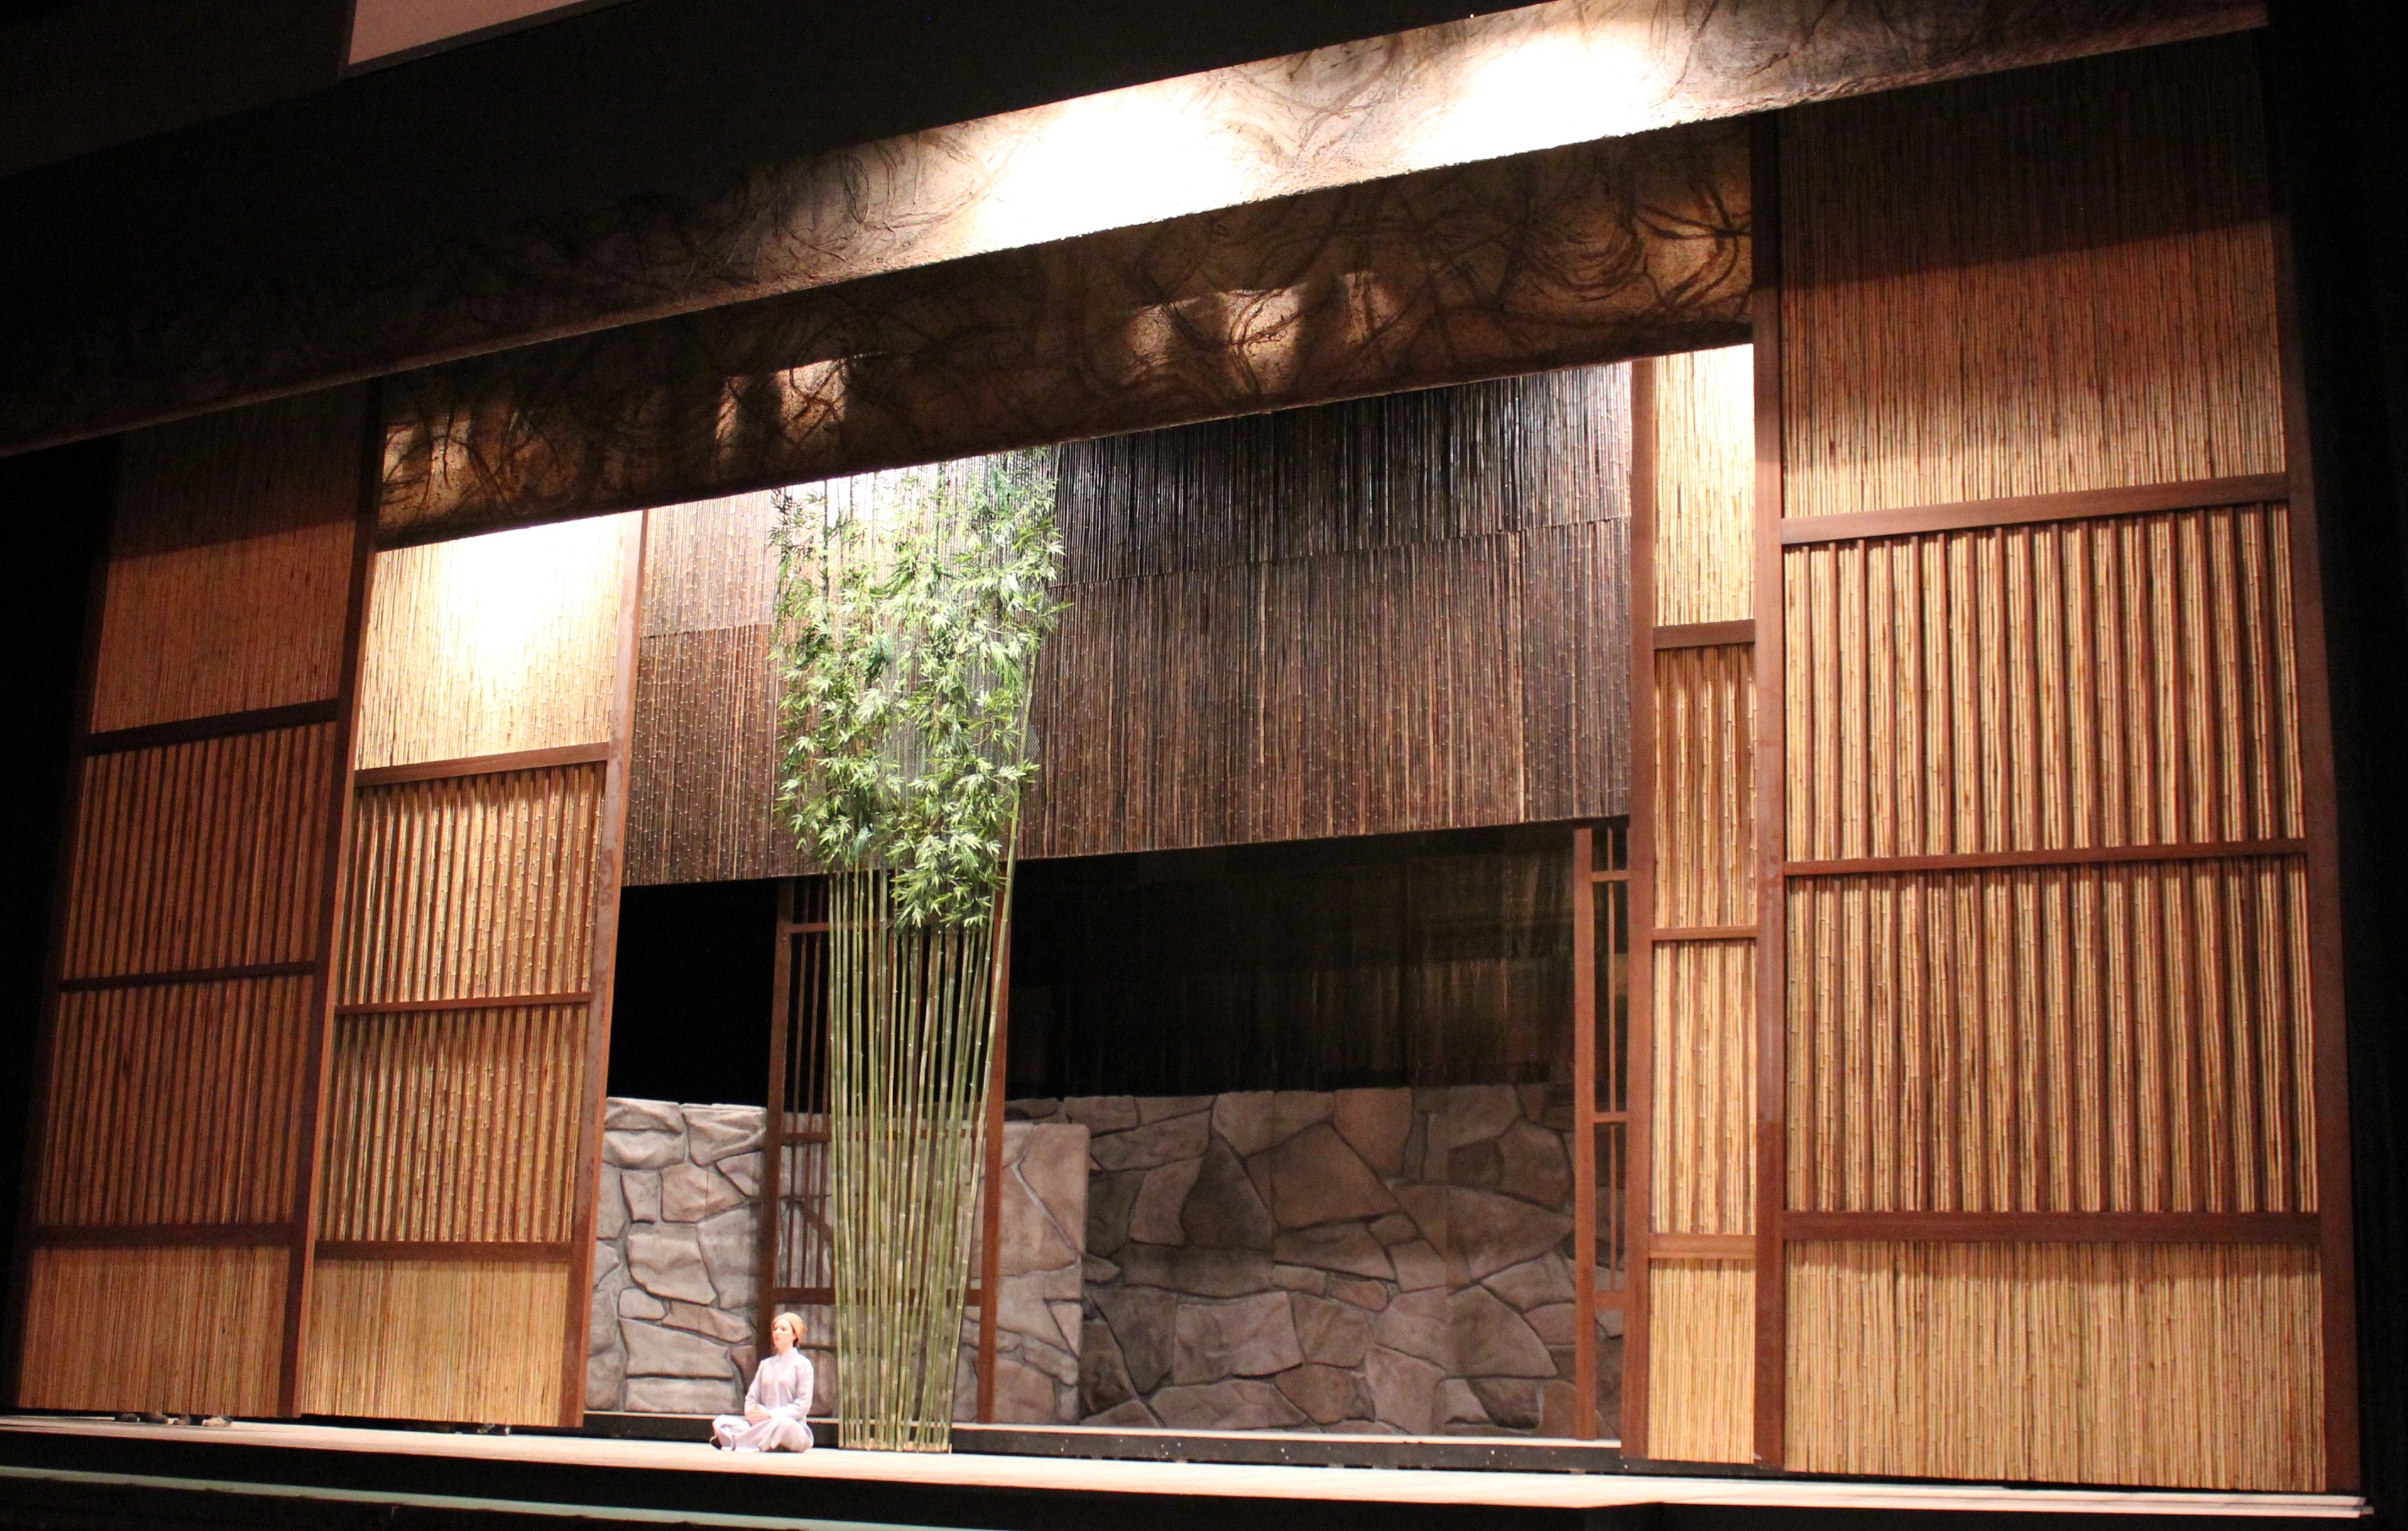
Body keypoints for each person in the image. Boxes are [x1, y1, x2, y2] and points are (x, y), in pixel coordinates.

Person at [711, 1312, 814, 1452]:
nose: (777, 1332)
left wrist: (770, 1415)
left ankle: (736, 1441)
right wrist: (753, 1414)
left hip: (789, 1425)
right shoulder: (766, 1364)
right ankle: (761, 1442)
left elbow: (802, 1406)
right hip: (762, 1425)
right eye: (775, 1329)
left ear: (794, 1336)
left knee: (784, 1425)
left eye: (783, 1329)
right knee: (722, 1422)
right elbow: (752, 1398)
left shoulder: (803, 1365)